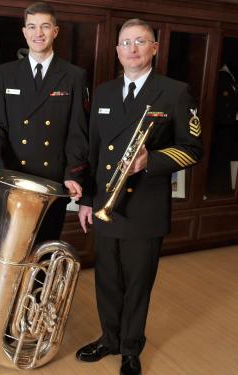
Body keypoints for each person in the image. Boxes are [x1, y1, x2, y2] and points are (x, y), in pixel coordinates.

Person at [75, 19, 203, 375]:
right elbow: (92, 152)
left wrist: (152, 160)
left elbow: (193, 149)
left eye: (140, 41)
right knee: (106, 278)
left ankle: (131, 347)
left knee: (137, 281)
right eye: (125, 42)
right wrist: (86, 198)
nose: (132, 48)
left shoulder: (175, 92)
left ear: (154, 48)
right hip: (106, 205)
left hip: (145, 208)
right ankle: (108, 338)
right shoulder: (103, 92)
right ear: (117, 50)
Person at [0, 1, 88, 243]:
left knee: (44, 248)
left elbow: (77, 132)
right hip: (14, 178)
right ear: (24, 32)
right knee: (12, 248)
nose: (38, 33)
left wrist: (72, 173)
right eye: (32, 27)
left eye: (45, 27)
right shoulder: (6, 73)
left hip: (53, 181)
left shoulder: (74, 76)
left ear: (55, 31)